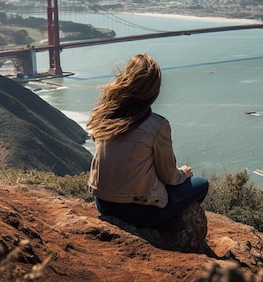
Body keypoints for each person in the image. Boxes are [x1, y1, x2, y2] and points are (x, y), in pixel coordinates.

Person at [86, 53, 209, 227]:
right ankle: (167, 231)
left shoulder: (106, 116)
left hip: (103, 203)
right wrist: (184, 173)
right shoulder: (157, 126)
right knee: (201, 184)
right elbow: (169, 176)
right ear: (153, 90)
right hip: (139, 212)